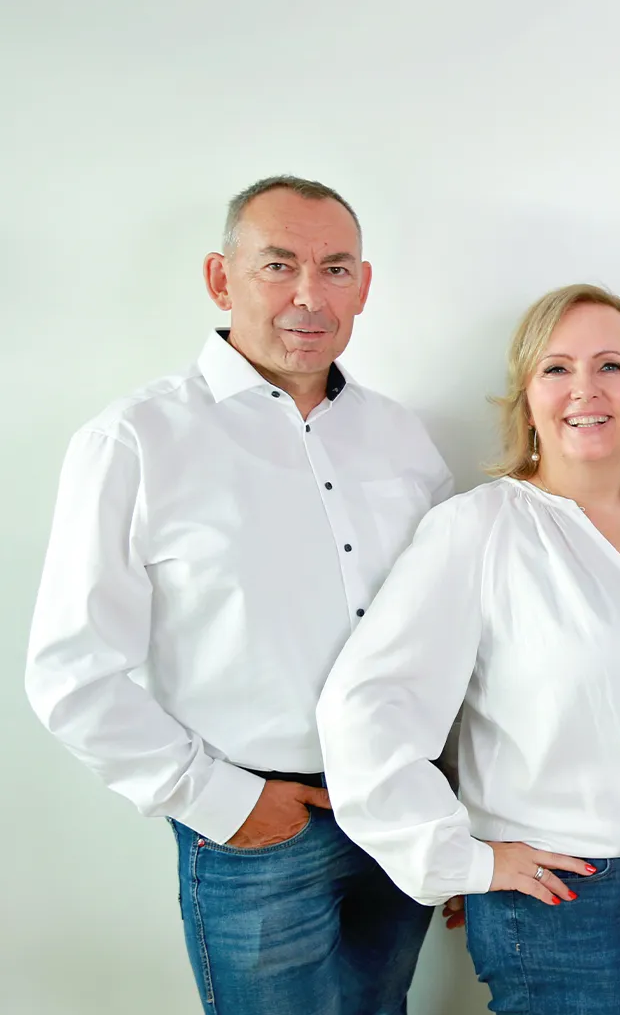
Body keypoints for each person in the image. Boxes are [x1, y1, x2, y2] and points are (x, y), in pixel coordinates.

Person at [24, 176, 450, 1014]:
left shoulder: (401, 435)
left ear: (363, 286)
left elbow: (449, 635)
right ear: (221, 280)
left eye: (334, 268)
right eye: (278, 265)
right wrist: (227, 803)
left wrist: (454, 806)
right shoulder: (136, 440)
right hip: (258, 833)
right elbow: (70, 674)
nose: (308, 295)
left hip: (400, 807)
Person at [315, 284, 620, 1015]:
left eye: (611, 366)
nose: (584, 390)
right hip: (569, 903)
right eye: (556, 369)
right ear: (526, 399)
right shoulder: (480, 527)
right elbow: (365, 706)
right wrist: (461, 860)